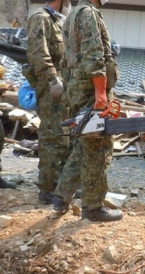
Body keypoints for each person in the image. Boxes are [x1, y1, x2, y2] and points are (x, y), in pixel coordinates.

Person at [52, 0, 122, 221]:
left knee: (83, 145)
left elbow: (66, 60)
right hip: (90, 89)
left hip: (77, 86)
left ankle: (61, 197)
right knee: (97, 147)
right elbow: (94, 54)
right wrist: (100, 92)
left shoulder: (72, 15)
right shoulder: (89, 13)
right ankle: (93, 207)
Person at [26, 0, 72, 204]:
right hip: (51, 87)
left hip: (64, 87)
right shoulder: (41, 19)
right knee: (52, 136)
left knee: (65, 136)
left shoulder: (59, 22)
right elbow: (38, 54)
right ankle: (48, 188)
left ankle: (61, 186)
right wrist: (54, 80)